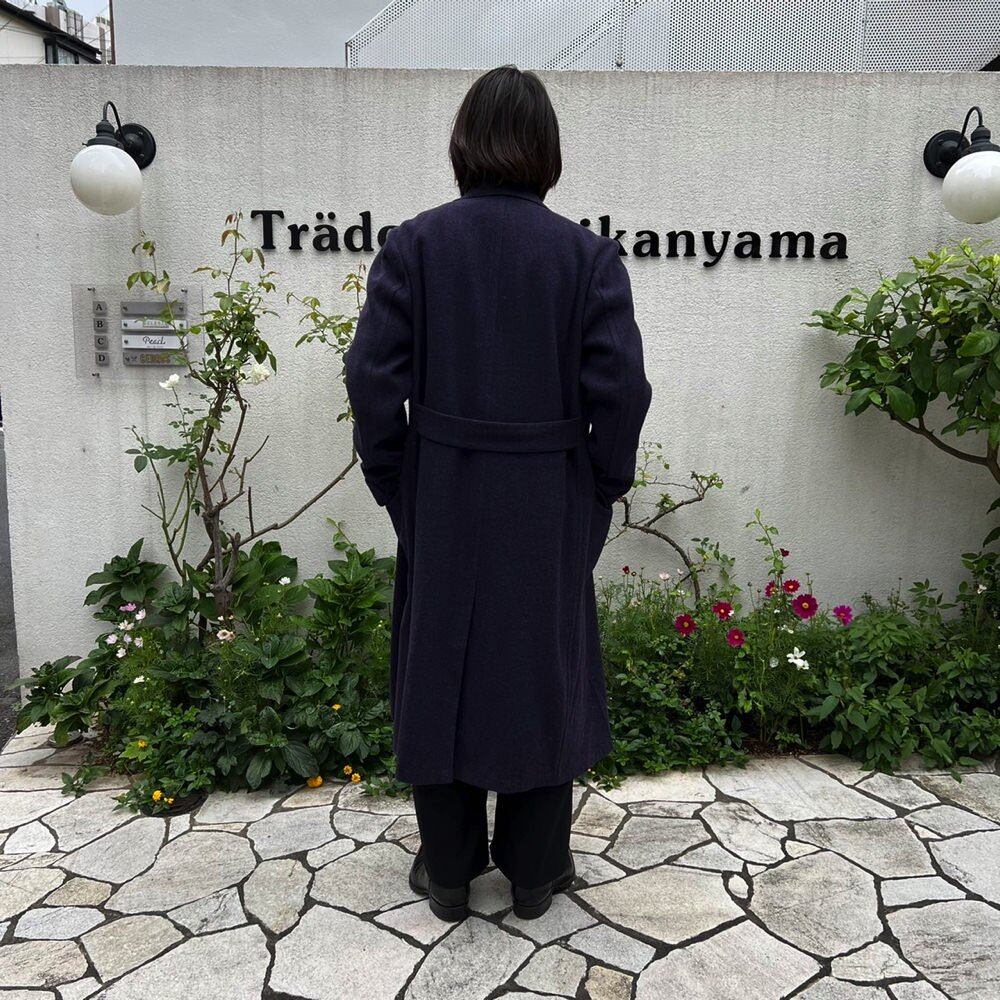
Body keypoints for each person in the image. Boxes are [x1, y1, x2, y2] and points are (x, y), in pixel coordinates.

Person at [344, 65, 652, 922]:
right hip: (550, 497)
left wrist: (398, 484)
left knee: (439, 662)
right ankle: (534, 873)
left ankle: (447, 874)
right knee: (540, 670)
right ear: (548, 152)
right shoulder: (587, 257)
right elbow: (621, 392)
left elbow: (371, 379)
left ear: (463, 146)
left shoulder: (415, 246)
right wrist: (598, 489)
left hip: (442, 490)